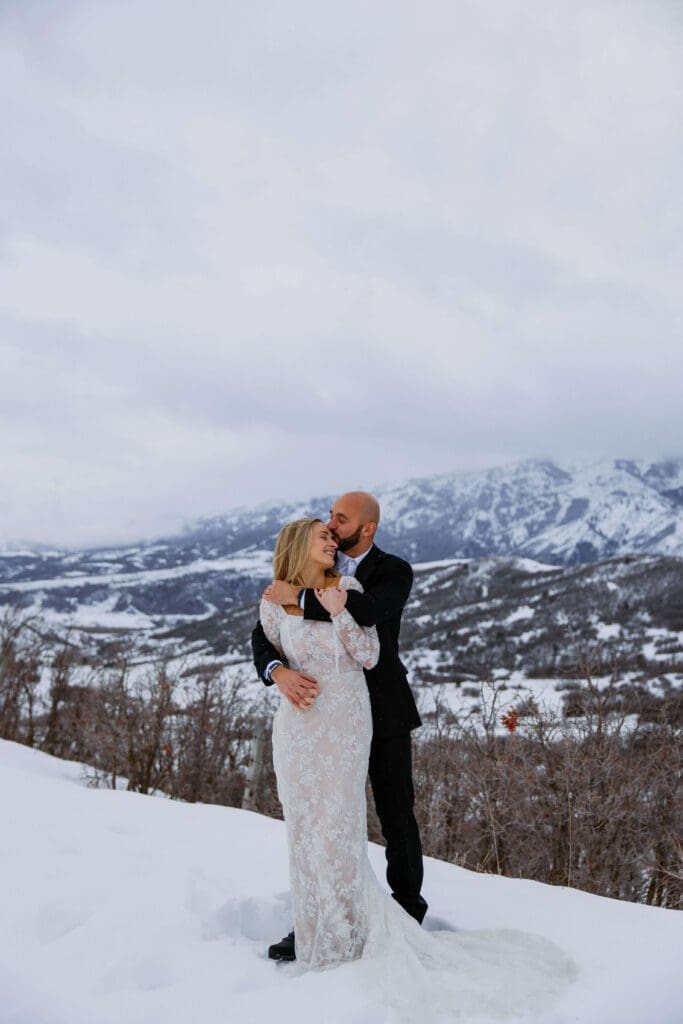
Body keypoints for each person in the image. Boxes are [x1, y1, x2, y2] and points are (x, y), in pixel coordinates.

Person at [251, 491, 427, 964]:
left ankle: (407, 912)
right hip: (311, 720)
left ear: (366, 528)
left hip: (378, 711)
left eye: (339, 521)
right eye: (327, 523)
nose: (332, 527)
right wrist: (277, 671)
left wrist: (304, 597)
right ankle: (316, 919)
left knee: (394, 816)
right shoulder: (288, 588)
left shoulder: (390, 572)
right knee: (315, 824)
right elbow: (261, 635)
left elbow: (367, 618)